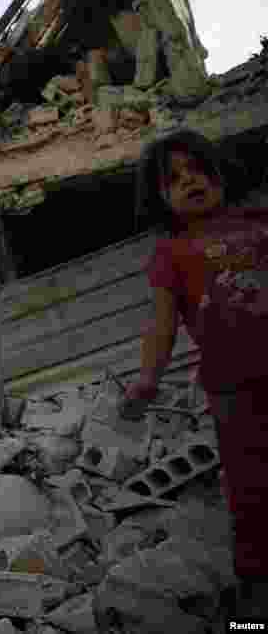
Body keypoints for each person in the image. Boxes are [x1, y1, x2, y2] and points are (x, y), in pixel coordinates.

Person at [123, 128, 268, 618]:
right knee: (252, 495)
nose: (191, 182)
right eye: (175, 179)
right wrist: (147, 378)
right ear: (161, 198)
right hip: (236, 391)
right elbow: (161, 325)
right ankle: (255, 615)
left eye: (199, 170)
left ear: (221, 173)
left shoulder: (261, 223)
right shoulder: (170, 254)